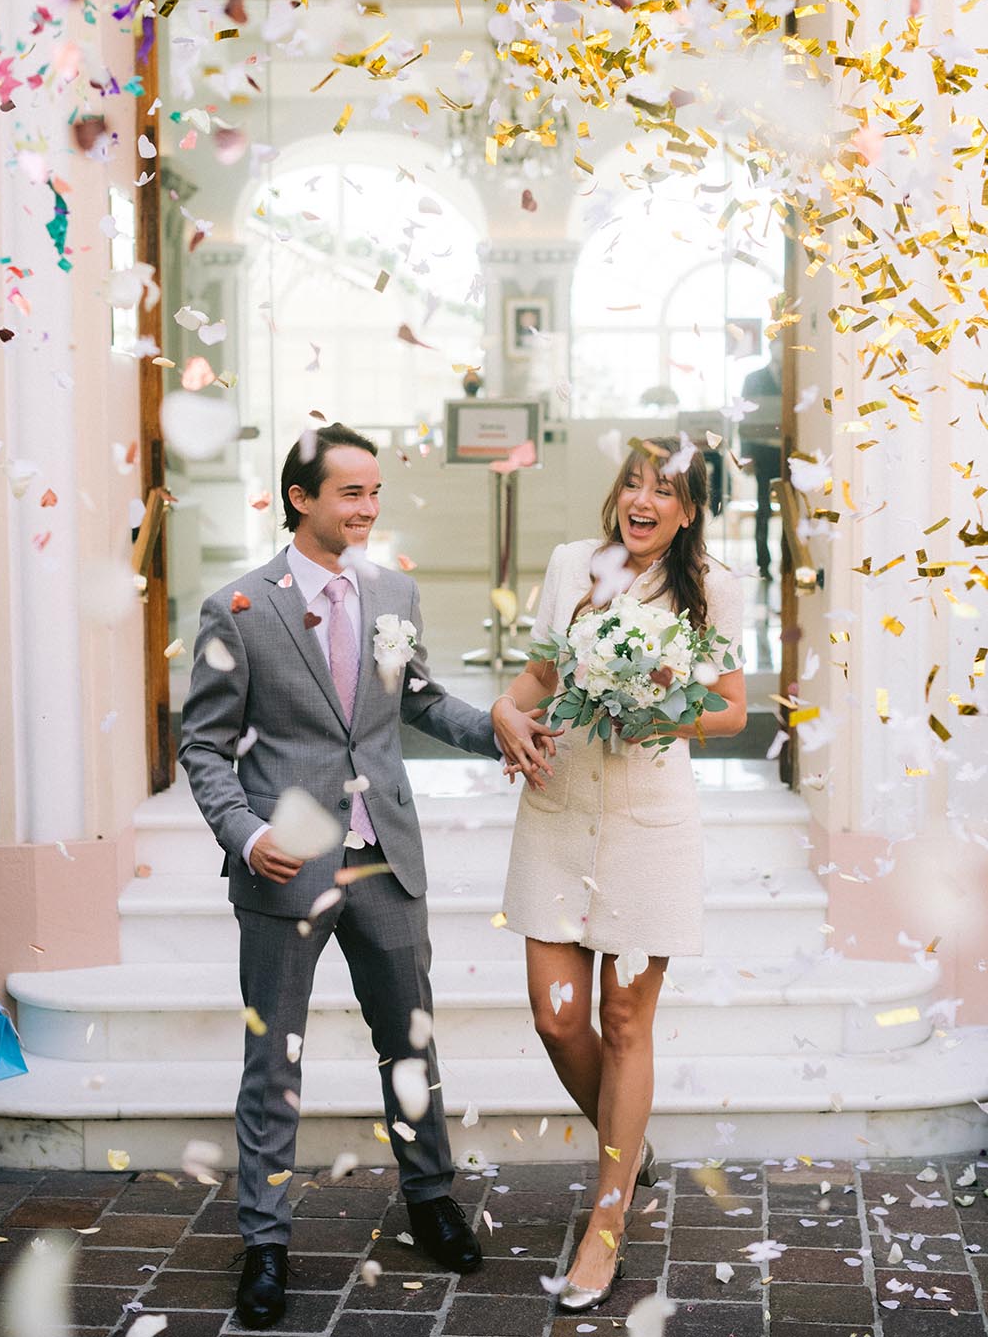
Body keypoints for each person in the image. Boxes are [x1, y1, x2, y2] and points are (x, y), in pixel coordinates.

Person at [179, 422, 555, 1331]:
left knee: (410, 1043)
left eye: (376, 492)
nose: (369, 508)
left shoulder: (395, 592)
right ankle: (265, 1242)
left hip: (386, 856)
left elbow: (416, 697)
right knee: (274, 1063)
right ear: (299, 499)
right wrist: (244, 831)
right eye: (351, 492)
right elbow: (204, 745)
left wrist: (499, 722)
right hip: (286, 868)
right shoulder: (238, 607)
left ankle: (429, 1200)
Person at [495, 437, 747, 1314]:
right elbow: (539, 671)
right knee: (557, 1019)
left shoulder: (712, 583)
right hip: (557, 819)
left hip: (649, 830)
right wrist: (504, 711)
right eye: (633, 483)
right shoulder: (573, 565)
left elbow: (732, 708)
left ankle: (606, 1229)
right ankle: (627, 1145)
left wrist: (657, 702)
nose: (643, 500)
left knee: (625, 1021)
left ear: (687, 510)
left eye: (664, 490)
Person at [740, 345, 783, 580]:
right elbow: (744, 418)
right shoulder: (753, 379)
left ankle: (788, 561)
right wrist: (747, 455)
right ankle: (763, 563)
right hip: (762, 451)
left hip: (788, 452)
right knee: (763, 507)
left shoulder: (795, 376)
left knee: (790, 508)